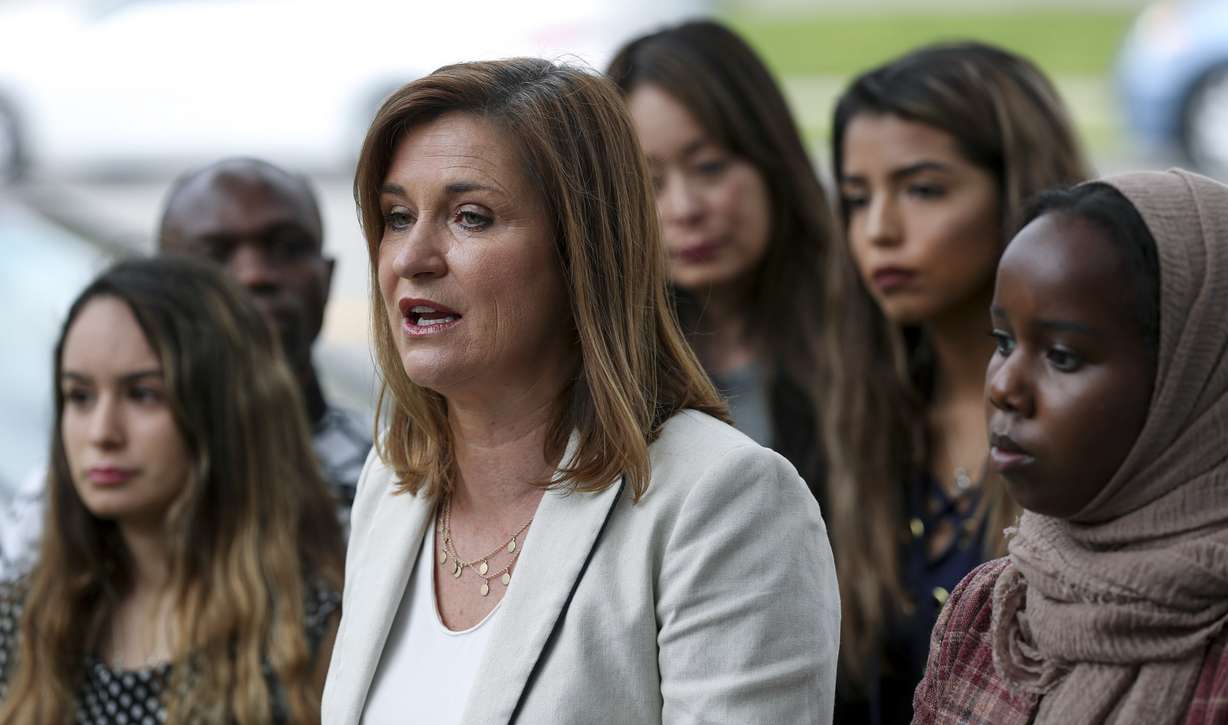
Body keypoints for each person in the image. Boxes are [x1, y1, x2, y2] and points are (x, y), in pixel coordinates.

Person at [322, 58, 840, 724]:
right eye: (396, 216)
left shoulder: (724, 502)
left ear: (584, 249)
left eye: (471, 217)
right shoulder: (392, 483)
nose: (413, 256)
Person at [824, 42, 1092, 722]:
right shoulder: (860, 413)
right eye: (856, 198)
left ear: (1018, 192)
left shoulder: (1103, 419)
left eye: (922, 189)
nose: (878, 230)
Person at [914, 169, 1228, 723]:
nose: (1004, 386)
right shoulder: (991, 611)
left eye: (1062, 356)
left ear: (1194, 379)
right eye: (1003, 342)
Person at [0, 257, 345, 723]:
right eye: (80, 396)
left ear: (224, 411)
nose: (102, 432)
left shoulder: (311, 630)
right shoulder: (26, 620)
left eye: (143, 394)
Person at [606, 20, 835, 504]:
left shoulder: (865, 330)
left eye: (709, 167)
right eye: (650, 182)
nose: (686, 208)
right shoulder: (605, 362)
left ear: (773, 161)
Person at [159, 157, 371, 529]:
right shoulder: (102, 482)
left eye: (288, 247)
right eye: (214, 254)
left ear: (327, 278)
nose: (255, 275)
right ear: (161, 290)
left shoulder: (399, 480)